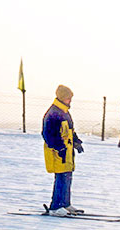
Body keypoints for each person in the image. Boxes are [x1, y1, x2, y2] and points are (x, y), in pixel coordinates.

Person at [42, 85, 84, 216]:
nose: (70, 100)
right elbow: (48, 134)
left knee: (67, 177)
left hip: (67, 151)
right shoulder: (53, 113)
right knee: (61, 177)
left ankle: (65, 204)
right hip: (58, 152)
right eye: (68, 98)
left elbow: (71, 131)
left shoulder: (64, 112)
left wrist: (76, 142)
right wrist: (59, 147)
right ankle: (55, 207)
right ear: (61, 97)